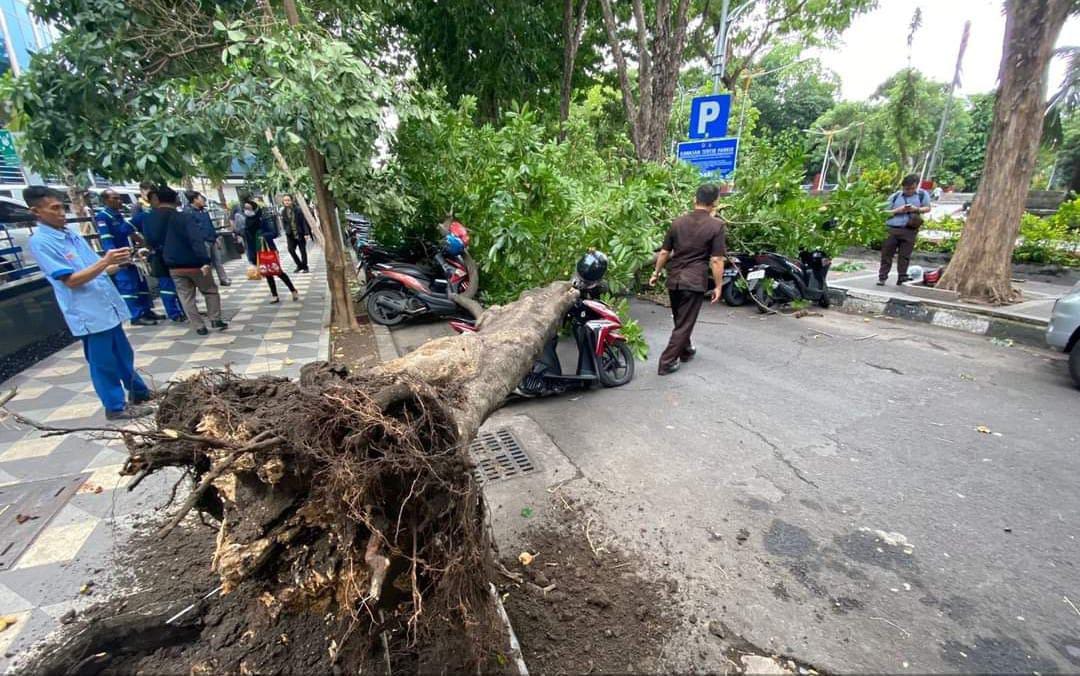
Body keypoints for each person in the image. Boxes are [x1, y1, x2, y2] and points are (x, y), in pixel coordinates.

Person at [25, 186, 152, 421]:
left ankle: (139, 392)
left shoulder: (71, 235)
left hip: (106, 306)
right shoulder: (42, 242)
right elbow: (71, 280)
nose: (62, 213)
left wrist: (126, 260)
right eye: (55, 208)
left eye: (62, 207)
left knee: (123, 354)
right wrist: (105, 262)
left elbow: (101, 269)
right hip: (88, 313)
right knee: (103, 362)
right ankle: (115, 406)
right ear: (36, 211)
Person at [649, 183, 727, 376]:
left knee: (681, 319)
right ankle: (666, 362)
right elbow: (716, 260)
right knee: (684, 323)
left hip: (674, 279)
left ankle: (685, 350)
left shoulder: (677, 222)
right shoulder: (716, 225)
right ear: (715, 202)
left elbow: (665, 252)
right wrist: (718, 285)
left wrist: (655, 273)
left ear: (695, 200)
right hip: (693, 281)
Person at [144, 186, 227, 335]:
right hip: (193, 261)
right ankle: (215, 319)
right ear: (175, 199)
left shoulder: (149, 218)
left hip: (171, 263)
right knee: (209, 290)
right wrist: (205, 261)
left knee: (186, 296)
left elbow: (149, 240)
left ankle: (199, 326)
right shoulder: (183, 216)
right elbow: (196, 240)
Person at [94, 189, 162, 326]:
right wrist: (116, 258)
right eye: (115, 198)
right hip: (120, 256)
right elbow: (107, 240)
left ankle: (146, 310)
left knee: (140, 282)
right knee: (127, 285)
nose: (119, 201)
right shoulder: (103, 216)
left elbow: (130, 232)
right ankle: (136, 316)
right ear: (106, 200)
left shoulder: (118, 215)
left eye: (119, 198)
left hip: (130, 253)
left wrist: (144, 245)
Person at [132, 181, 185, 321]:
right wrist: (144, 244)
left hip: (175, 254)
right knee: (167, 285)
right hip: (159, 255)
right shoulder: (145, 214)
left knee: (180, 284)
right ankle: (174, 313)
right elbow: (127, 228)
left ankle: (185, 309)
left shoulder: (170, 213)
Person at [242, 199, 299, 303]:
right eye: (245, 208)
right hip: (256, 251)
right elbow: (248, 240)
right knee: (267, 273)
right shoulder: (246, 221)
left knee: (277, 271)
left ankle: (293, 290)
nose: (247, 210)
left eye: (249, 208)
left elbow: (274, 233)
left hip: (268, 249)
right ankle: (274, 295)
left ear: (254, 208)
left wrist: (262, 236)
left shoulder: (263, 219)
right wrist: (251, 257)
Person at [879, 174, 931, 286]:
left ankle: (902, 277)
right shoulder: (895, 196)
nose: (909, 191)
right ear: (903, 187)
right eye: (907, 188)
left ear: (916, 186)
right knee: (887, 254)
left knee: (905, 255)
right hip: (892, 229)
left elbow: (927, 208)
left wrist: (915, 209)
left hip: (910, 229)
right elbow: (884, 212)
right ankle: (882, 277)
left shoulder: (922, 195)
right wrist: (898, 210)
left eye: (912, 188)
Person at [184, 191, 231, 286]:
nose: (203, 200)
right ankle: (209, 282)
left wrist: (216, 237)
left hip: (211, 239)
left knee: (218, 261)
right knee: (206, 263)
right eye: (201, 198)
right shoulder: (189, 212)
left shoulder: (204, 211)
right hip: (202, 241)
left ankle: (223, 279)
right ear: (195, 200)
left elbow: (210, 225)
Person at [278, 194, 312, 273]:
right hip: (290, 235)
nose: (286, 202)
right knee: (291, 250)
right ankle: (299, 265)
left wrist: (306, 233)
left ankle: (305, 267)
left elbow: (304, 222)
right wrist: (286, 230)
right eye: (285, 200)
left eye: (288, 200)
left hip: (300, 233)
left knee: (302, 251)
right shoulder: (283, 211)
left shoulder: (298, 210)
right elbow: (284, 222)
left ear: (292, 201)